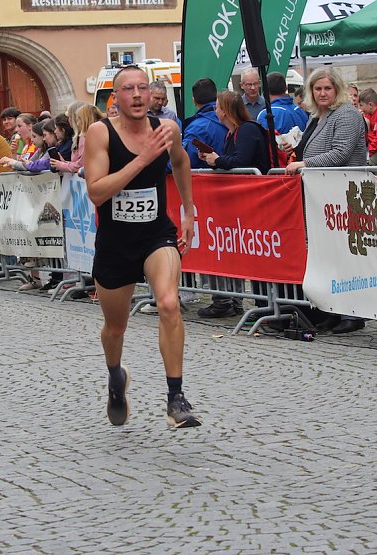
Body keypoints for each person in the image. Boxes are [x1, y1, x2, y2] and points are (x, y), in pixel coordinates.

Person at [84, 65, 200, 429]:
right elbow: (97, 191)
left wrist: (188, 210)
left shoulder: (167, 130)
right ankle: (116, 378)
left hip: (155, 235)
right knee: (115, 328)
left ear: (151, 95)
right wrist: (143, 159)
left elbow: (180, 162)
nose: (136, 94)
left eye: (142, 88)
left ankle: (175, 398)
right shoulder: (99, 133)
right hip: (116, 242)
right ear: (114, 99)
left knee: (168, 302)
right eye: (127, 89)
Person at [284, 67, 367, 334]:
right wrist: (294, 149)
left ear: (337, 90)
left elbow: (341, 152)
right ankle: (331, 309)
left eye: (327, 88)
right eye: (317, 89)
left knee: (345, 255)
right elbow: (311, 147)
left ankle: (353, 313)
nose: (322, 93)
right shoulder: (317, 116)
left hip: (342, 193)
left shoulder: (347, 115)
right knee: (327, 256)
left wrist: (304, 163)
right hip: (321, 196)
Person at [194, 90, 270, 318]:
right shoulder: (232, 133)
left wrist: (217, 160)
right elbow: (232, 162)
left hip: (256, 200)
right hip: (242, 203)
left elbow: (241, 161)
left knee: (259, 255)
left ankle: (263, 303)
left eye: (217, 106)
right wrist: (213, 160)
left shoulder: (247, 130)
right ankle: (248, 302)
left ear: (225, 110)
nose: (215, 111)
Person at [182, 78, 227, 169]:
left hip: (209, 181)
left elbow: (184, 160)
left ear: (194, 100)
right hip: (240, 178)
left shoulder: (197, 128)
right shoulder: (231, 118)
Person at [359, 88, 377, 166]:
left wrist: (370, 149)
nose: (360, 109)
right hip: (372, 150)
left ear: (370, 105)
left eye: (361, 105)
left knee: (368, 165)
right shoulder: (367, 115)